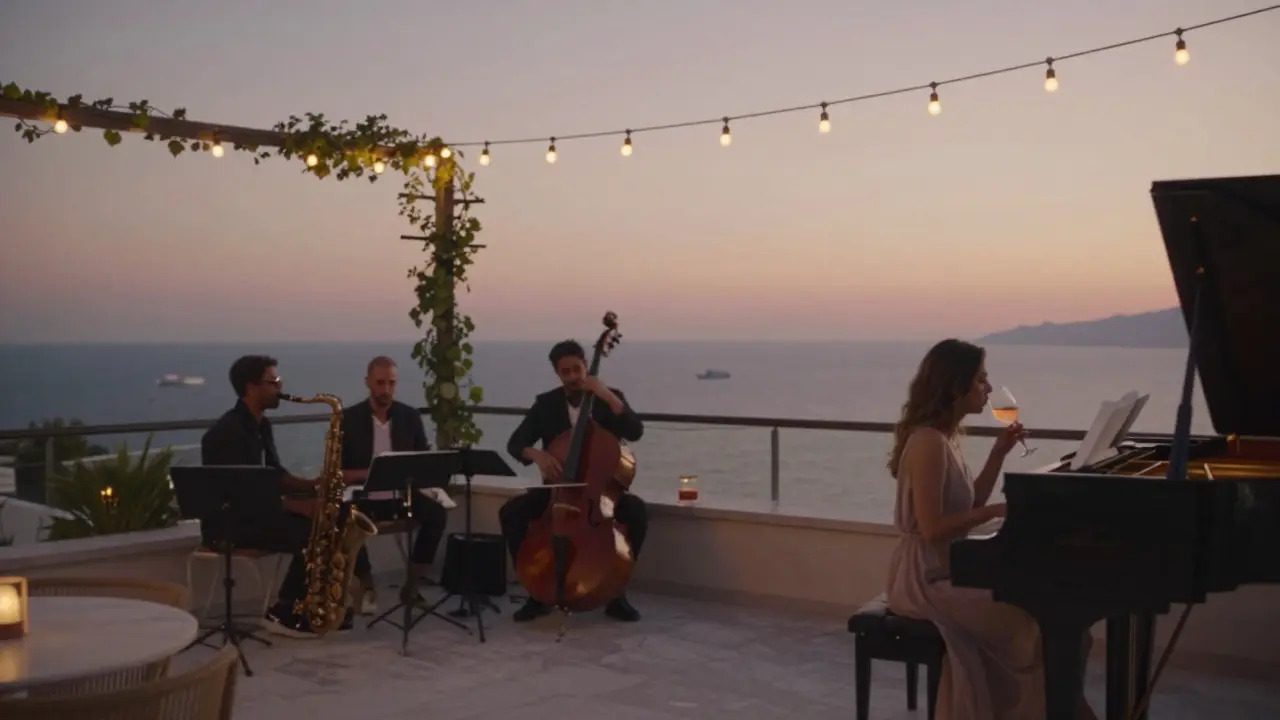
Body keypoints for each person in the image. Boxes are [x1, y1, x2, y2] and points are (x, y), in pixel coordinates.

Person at [884, 339, 1096, 720]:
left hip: (946, 570)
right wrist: (999, 509)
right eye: (981, 379)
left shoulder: (944, 438)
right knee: (1034, 619)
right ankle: (1056, 710)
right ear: (955, 386)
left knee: (1044, 612)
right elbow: (933, 529)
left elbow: (969, 506)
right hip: (924, 579)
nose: (988, 386)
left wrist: (999, 453)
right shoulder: (928, 443)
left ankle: (1058, 708)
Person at [200, 354, 354, 638]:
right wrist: (297, 505)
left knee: (334, 521)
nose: (280, 388)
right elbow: (241, 493)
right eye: (274, 382)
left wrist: (312, 486)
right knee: (311, 533)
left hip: (256, 515)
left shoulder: (260, 424)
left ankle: (321, 606)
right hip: (231, 524)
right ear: (251, 387)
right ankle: (284, 610)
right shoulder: (227, 433)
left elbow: (273, 475)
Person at [499, 339, 647, 623]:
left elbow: (635, 430)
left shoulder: (608, 397)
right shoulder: (546, 404)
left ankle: (615, 592)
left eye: (577, 370)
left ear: (585, 367)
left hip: (601, 494)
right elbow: (515, 443)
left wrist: (605, 394)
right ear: (557, 373)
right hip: (558, 493)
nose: (572, 377)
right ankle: (537, 591)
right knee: (512, 513)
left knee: (637, 512)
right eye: (565, 372)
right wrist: (537, 455)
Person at [341, 355, 451, 614]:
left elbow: (422, 459)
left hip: (401, 495)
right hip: (364, 497)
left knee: (437, 516)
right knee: (346, 518)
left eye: (391, 383)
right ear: (368, 382)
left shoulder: (409, 416)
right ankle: (367, 586)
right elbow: (338, 470)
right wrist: (371, 473)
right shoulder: (350, 418)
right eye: (380, 383)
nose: (386, 390)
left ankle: (411, 586)